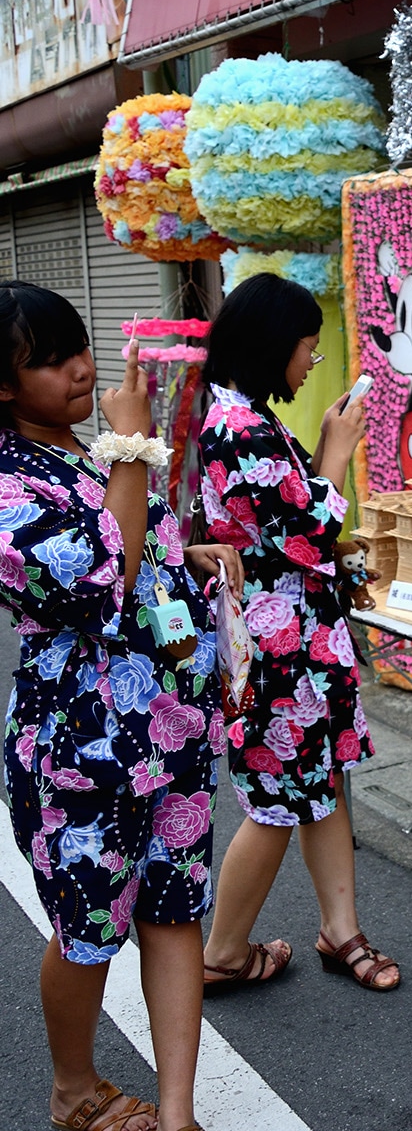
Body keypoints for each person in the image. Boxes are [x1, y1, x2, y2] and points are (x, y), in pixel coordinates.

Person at [0, 282, 241, 1131]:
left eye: (80, 345)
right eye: (51, 358)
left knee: (174, 913)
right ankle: (73, 1088)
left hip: (170, 730)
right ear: (2, 382)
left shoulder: (80, 450)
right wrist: (134, 445)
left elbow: (144, 544)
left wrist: (193, 554)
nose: (80, 367)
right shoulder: (6, 483)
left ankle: (178, 1114)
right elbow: (106, 583)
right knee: (88, 929)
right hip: (83, 748)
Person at [198, 274, 399, 993]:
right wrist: (336, 450)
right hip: (279, 644)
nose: (311, 362)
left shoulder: (234, 414)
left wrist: (319, 464)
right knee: (280, 801)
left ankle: (339, 929)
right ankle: (221, 952)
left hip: (295, 638)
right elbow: (310, 529)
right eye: (308, 349)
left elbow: (282, 529)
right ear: (274, 345)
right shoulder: (240, 426)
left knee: (322, 783)